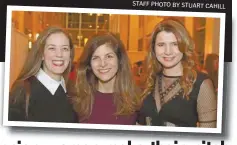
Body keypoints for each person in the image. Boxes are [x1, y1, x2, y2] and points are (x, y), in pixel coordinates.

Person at [137, 19, 217, 128]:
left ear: (184, 46)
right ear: (153, 49)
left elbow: (209, 137)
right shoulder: (149, 80)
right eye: (161, 45)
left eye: (174, 44)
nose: (168, 51)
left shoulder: (202, 84)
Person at [8, 26, 78, 123]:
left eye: (65, 49)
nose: (59, 54)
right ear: (41, 54)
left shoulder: (73, 92)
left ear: (70, 55)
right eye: (52, 48)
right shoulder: (22, 91)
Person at [71, 33, 140, 125]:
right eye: (96, 58)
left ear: (119, 60)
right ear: (89, 64)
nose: (102, 63)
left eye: (109, 56)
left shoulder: (136, 99)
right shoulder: (78, 100)